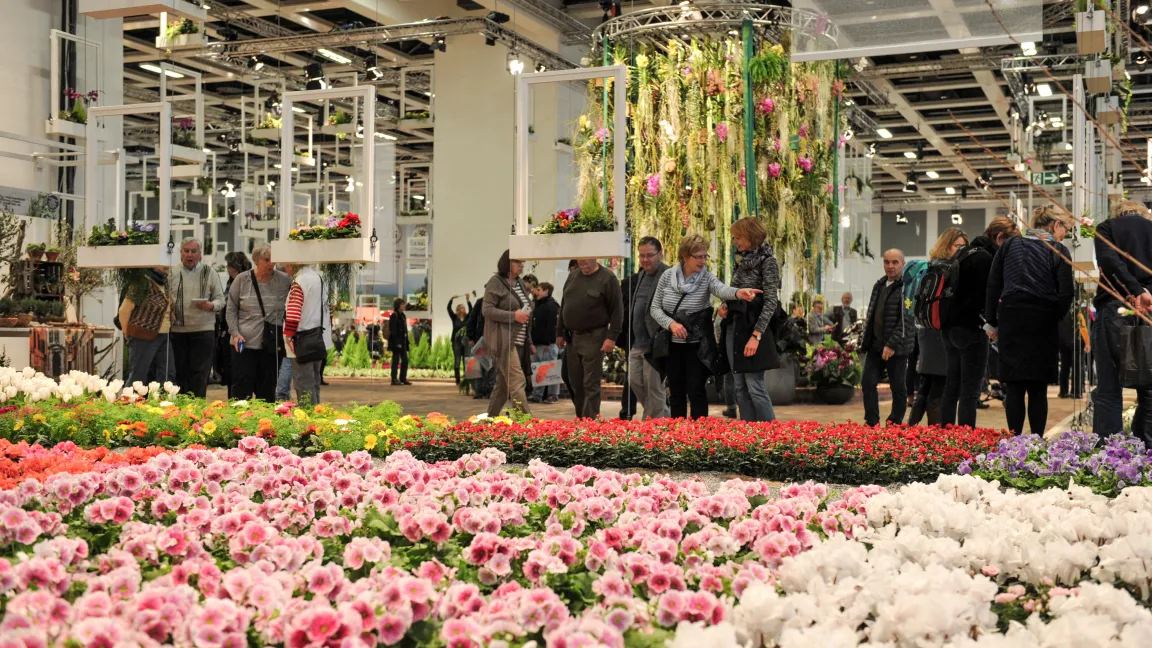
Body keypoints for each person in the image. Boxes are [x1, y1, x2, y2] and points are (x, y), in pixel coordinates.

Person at [985, 206, 1074, 435]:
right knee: (1038, 388)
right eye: (1065, 229)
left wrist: (992, 321)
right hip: (1043, 318)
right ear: (1055, 225)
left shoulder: (1009, 245)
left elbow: (993, 285)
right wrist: (1053, 317)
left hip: (1011, 317)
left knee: (1014, 386)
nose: (1064, 234)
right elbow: (1066, 293)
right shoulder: (1058, 250)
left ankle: (1015, 442)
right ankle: (1036, 441)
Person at [651, 234, 761, 419]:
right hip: (672, 346)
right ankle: (677, 432)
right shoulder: (667, 276)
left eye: (705, 256)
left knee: (697, 390)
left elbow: (721, 289)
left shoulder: (707, 278)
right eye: (698, 257)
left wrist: (738, 293)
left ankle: (699, 432)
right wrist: (671, 324)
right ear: (685, 256)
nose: (703, 261)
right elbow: (655, 308)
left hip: (698, 346)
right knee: (676, 392)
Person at [940, 217, 1017, 427]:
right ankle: (966, 438)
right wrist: (993, 323)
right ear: (999, 238)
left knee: (952, 387)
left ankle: (944, 434)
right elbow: (987, 297)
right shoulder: (985, 259)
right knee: (970, 391)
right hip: (971, 329)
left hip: (949, 328)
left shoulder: (963, 252)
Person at [1093, 201, 1152, 439]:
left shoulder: (1107, 227)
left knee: (1109, 385)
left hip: (1115, 307)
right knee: (1149, 387)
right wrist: (1145, 293)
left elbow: (1109, 261)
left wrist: (1134, 290)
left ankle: (1111, 450)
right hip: (1150, 310)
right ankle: (1146, 447)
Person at [724, 217, 782, 422]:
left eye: (738, 237)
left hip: (753, 329)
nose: (735, 242)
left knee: (755, 386)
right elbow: (733, 291)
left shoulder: (768, 262)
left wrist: (756, 336)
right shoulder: (741, 262)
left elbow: (771, 302)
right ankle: (748, 432)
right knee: (739, 387)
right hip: (735, 327)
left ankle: (771, 434)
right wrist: (725, 306)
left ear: (751, 237)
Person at [909, 230, 969, 425]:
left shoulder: (931, 266)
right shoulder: (951, 268)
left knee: (926, 384)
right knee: (940, 385)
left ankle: (910, 429)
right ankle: (936, 433)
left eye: (963, 246)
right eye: (957, 246)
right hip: (941, 331)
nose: (961, 250)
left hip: (927, 330)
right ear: (947, 246)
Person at [557, 258, 624, 419]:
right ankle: (582, 417)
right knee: (574, 381)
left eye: (586, 258)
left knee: (590, 383)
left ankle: (590, 421)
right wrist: (559, 332)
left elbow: (617, 309)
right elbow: (564, 303)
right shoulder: (573, 276)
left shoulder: (607, 278)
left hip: (594, 336)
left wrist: (612, 337)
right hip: (572, 337)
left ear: (595, 256)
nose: (582, 262)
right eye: (580, 259)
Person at [226, 244, 291, 402]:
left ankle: (265, 418)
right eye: (266, 260)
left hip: (271, 345)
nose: (271, 264)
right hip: (243, 344)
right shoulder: (242, 279)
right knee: (241, 390)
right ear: (256, 260)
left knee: (267, 391)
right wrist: (235, 333)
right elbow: (231, 308)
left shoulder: (284, 280)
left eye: (273, 260)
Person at [860, 249, 915, 427]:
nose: (890, 266)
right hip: (875, 345)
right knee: (867, 383)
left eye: (895, 262)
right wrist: (865, 339)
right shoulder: (879, 285)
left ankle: (894, 422)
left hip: (897, 348)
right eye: (886, 262)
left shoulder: (908, 288)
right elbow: (871, 315)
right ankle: (871, 421)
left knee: (898, 387)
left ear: (903, 264)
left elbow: (907, 321)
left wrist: (891, 344)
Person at [169, 238, 224, 397]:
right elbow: (165, 298)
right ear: (180, 253)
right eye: (186, 251)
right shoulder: (172, 273)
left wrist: (210, 306)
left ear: (200, 254)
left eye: (193, 251)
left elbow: (221, 300)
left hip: (203, 331)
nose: (190, 255)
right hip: (178, 331)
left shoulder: (210, 272)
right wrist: (169, 310)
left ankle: (198, 407)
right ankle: (179, 409)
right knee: (179, 375)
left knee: (200, 375)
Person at [483, 250, 533, 416]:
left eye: (522, 262)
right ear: (507, 262)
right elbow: (487, 310)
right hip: (503, 340)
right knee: (517, 380)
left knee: (503, 385)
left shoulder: (519, 283)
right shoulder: (495, 282)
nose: (521, 265)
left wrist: (529, 340)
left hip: (519, 340)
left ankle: (490, 419)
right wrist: (514, 316)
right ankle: (525, 421)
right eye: (518, 262)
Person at [626, 237, 670, 419]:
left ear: (660, 254)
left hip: (655, 344)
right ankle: (662, 417)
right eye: (642, 256)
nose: (645, 260)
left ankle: (653, 425)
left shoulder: (668, 275)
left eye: (650, 255)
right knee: (634, 382)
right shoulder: (641, 275)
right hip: (638, 342)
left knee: (654, 388)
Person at [283, 264, 333, 405]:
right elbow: (329, 309)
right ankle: (316, 413)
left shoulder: (300, 281)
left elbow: (294, 310)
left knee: (303, 384)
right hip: (318, 338)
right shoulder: (319, 278)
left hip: (302, 340)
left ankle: (308, 416)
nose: (285, 267)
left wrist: (289, 335)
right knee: (314, 382)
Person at [120, 267, 175, 385]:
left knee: (167, 375)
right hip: (143, 335)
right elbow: (124, 311)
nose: (167, 266)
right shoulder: (142, 283)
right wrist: (127, 333)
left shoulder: (164, 282)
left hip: (164, 335)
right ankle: (129, 397)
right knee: (138, 376)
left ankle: (164, 398)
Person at [216, 251, 252, 395]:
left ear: (234, 266)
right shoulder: (233, 281)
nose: (227, 269)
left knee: (237, 369)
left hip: (238, 331)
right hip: (229, 331)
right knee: (230, 369)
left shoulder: (242, 281)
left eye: (228, 265)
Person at [528, 281, 561, 404]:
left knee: (551, 369)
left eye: (539, 289)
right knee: (538, 370)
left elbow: (552, 325)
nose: (536, 292)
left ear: (546, 291)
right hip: (537, 343)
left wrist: (548, 341)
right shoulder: (538, 305)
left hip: (548, 344)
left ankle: (553, 395)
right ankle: (537, 394)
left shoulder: (552, 305)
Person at [448, 293, 473, 384]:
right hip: (456, 342)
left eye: (464, 307)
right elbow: (448, 309)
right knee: (457, 360)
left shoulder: (468, 317)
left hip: (466, 342)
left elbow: (471, 310)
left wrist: (468, 300)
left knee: (467, 360)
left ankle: (467, 379)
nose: (463, 309)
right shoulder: (454, 317)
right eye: (461, 307)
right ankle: (458, 380)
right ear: (458, 309)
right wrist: (451, 299)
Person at [389, 299, 411, 386]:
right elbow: (393, 330)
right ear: (398, 305)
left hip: (403, 340)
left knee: (405, 360)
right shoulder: (394, 315)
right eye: (402, 304)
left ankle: (403, 378)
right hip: (397, 341)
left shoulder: (403, 315)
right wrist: (397, 342)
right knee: (396, 360)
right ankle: (394, 379)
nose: (404, 305)